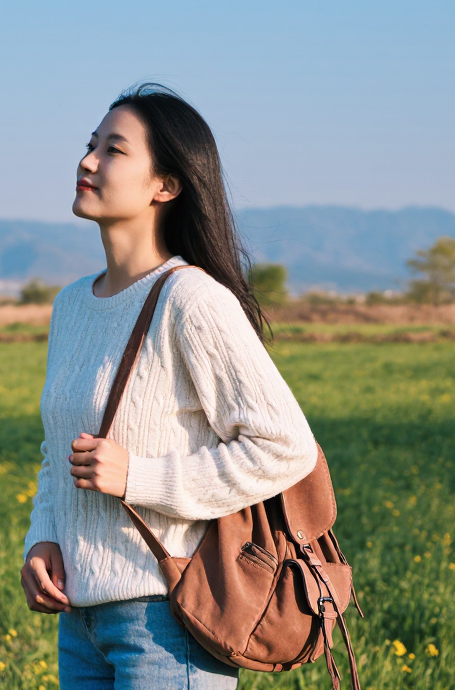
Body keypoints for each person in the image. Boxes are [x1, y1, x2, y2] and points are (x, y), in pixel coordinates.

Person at [19, 84, 320, 690]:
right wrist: (43, 536)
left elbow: (285, 447)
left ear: (167, 185)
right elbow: (62, 452)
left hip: (167, 621)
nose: (88, 161)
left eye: (114, 150)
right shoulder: (72, 305)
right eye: (90, 145)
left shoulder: (192, 300)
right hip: (79, 621)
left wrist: (140, 478)